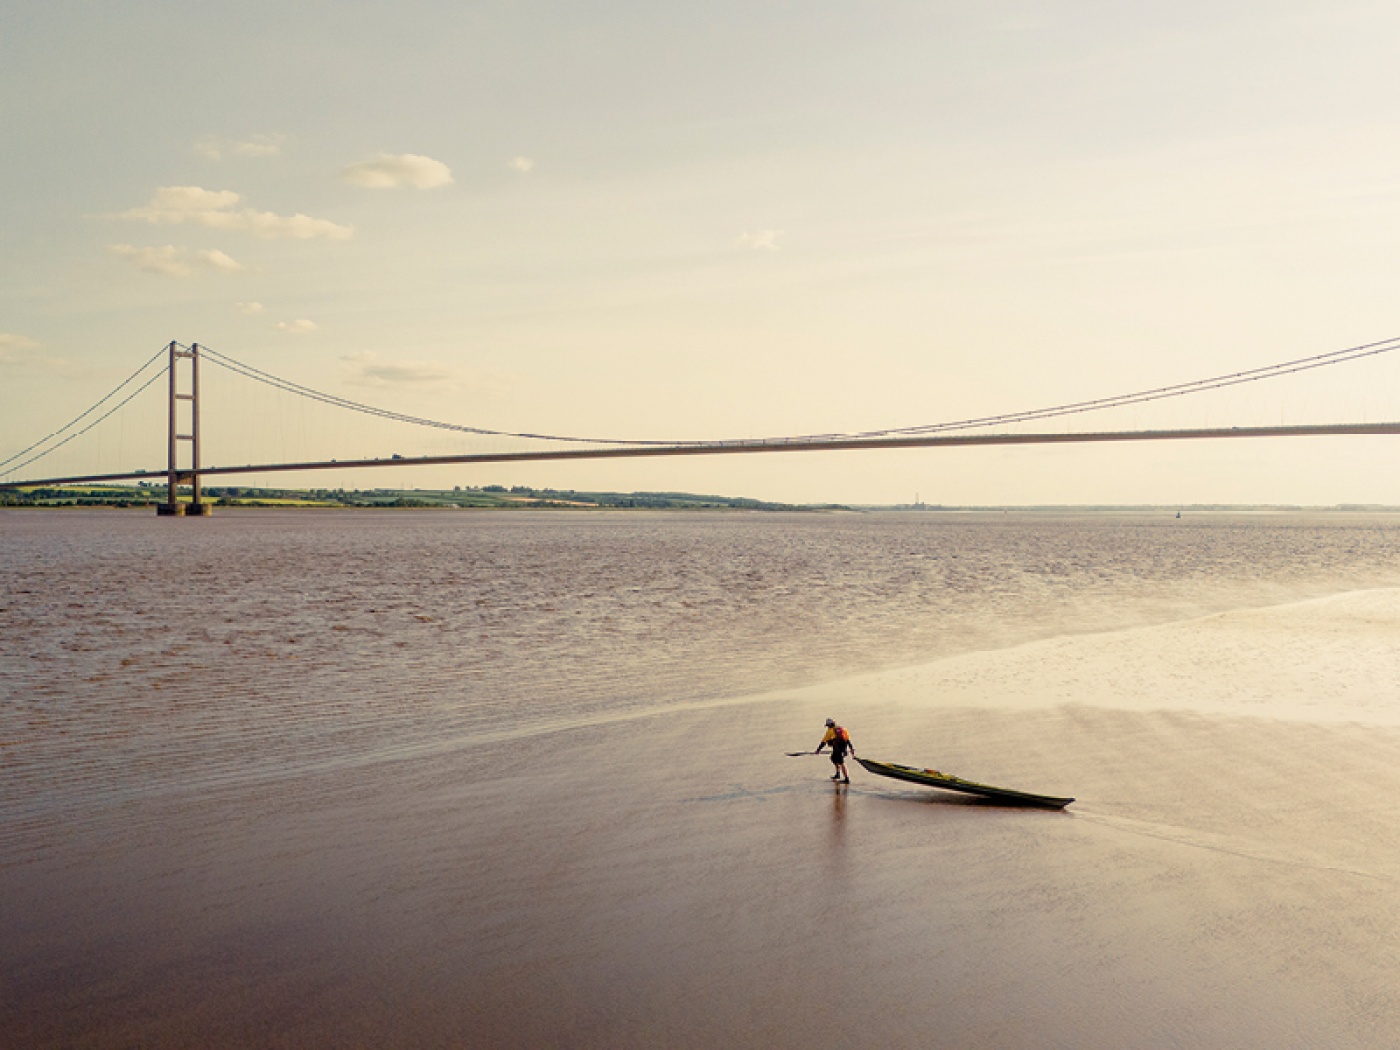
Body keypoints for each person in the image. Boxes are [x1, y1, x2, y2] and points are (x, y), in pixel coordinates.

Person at [815, 718, 855, 784]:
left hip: (837, 748)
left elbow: (823, 742)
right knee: (833, 758)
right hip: (843, 747)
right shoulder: (843, 729)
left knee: (841, 763)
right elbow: (847, 740)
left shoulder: (830, 731)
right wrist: (851, 749)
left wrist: (818, 750)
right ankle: (837, 774)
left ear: (829, 725)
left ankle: (846, 779)